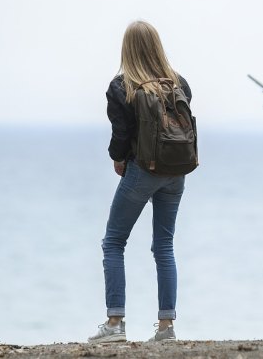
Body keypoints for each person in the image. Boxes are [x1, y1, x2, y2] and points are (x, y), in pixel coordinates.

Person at [89, 20, 192, 344]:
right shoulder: (180, 83)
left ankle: (115, 324)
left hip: (142, 172)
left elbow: (121, 134)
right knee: (164, 245)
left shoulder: (123, 86)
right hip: (176, 173)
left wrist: (118, 159)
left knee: (114, 242)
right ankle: (166, 328)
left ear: (127, 49)